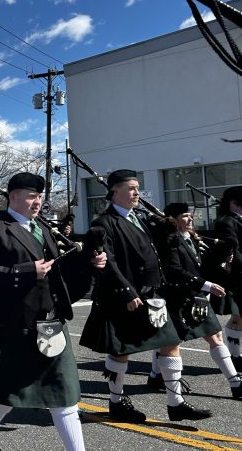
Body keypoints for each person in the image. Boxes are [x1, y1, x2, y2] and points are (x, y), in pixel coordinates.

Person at [0, 173, 106, 451]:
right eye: (31, 196)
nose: (38, 201)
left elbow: (58, 269)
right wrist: (28, 270)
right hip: (18, 323)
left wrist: (89, 261)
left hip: (51, 321)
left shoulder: (41, 226)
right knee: (9, 391)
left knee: (64, 394)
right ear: (13, 196)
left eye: (40, 196)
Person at [80, 170, 212, 423]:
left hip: (153, 294)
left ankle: (176, 403)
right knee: (122, 352)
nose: (136, 192)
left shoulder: (140, 218)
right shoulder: (104, 223)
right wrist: (127, 292)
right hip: (127, 297)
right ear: (114, 191)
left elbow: (161, 248)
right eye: (131, 188)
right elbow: (110, 262)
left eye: (137, 187)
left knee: (171, 342)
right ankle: (117, 402)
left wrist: (170, 229)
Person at [146, 203, 241, 399]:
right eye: (185, 216)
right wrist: (206, 285)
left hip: (195, 298)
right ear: (173, 219)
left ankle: (235, 382)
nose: (190, 219)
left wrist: (224, 265)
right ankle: (157, 377)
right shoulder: (169, 241)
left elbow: (201, 267)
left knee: (215, 336)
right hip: (177, 298)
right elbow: (174, 270)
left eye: (190, 215)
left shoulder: (193, 239)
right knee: (170, 342)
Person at [211, 186, 242, 371]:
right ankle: (235, 357)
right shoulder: (225, 221)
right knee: (238, 315)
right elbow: (232, 250)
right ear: (235, 202)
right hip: (235, 276)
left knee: (239, 316)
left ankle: (235, 356)